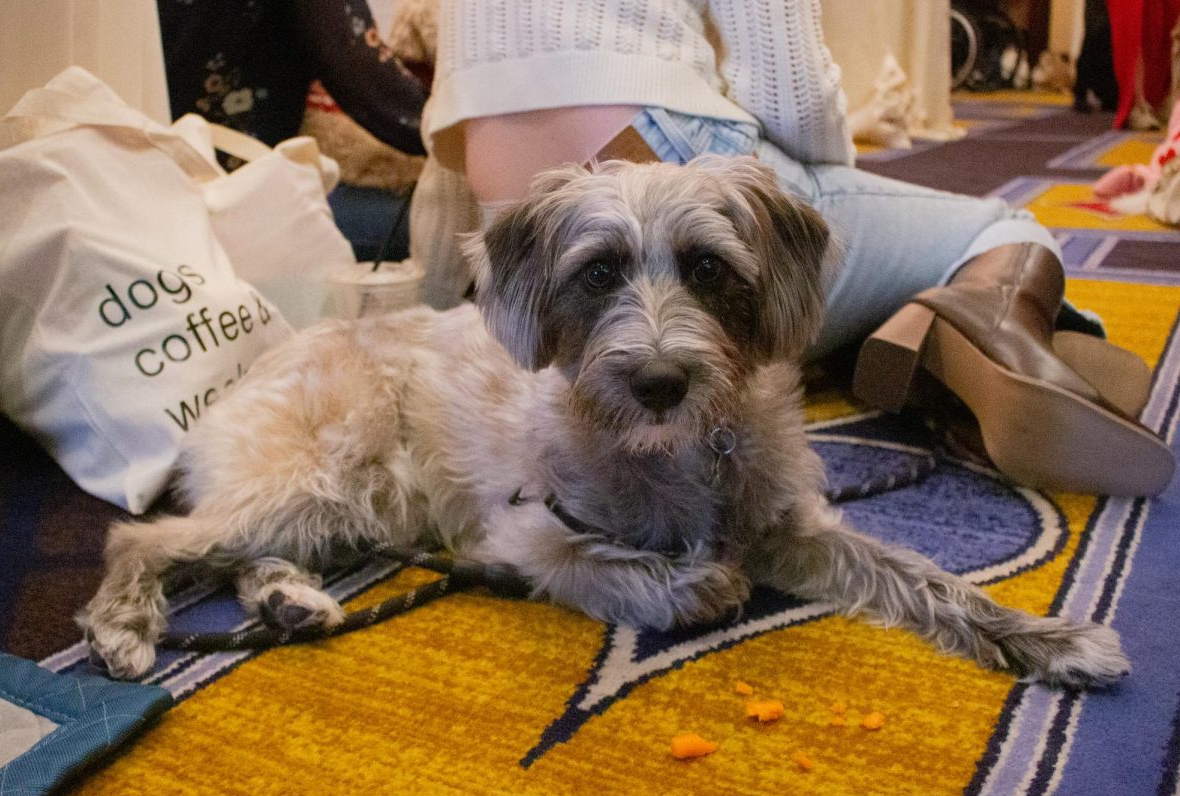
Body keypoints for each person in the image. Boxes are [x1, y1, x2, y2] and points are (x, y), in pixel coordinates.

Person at [409, 0, 1173, 497]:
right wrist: (838, 178)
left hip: (521, 210)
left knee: (733, 321)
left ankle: (892, 334)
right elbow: (791, 87)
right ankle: (996, 337)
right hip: (672, 159)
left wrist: (446, 292)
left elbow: (449, 144)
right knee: (1006, 226)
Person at [157, 0, 429, 259]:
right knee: (455, 230)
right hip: (232, 205)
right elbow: (372, 86)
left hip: (143, 194)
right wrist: (457, 130)